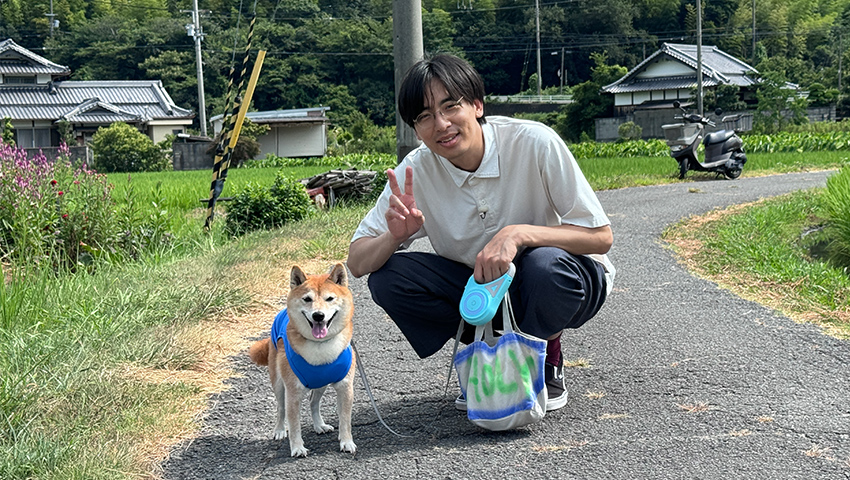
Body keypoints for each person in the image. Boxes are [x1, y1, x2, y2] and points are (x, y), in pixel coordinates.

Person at [347, 53, 615, 412]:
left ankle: (545, 354)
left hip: (557, 279)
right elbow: (357, 262)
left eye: (450, 106)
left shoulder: (535, 142)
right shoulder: (416, 171)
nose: (440, 124)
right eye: (424, 116)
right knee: (388, 277)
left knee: (544, 265)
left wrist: (519, 234)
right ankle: (486, 352)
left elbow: (600, 236)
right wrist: (394, 236)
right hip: (479, 291)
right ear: (416, 129)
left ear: (476, 104)